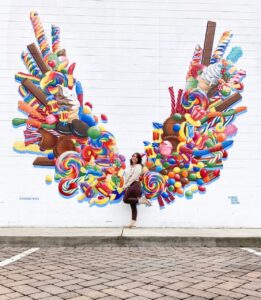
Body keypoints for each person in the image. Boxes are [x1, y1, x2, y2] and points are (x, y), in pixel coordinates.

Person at [123, 152, 151, 228]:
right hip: (131, 185)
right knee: (133, 205)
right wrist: (126, 185)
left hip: (135, 184)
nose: (134, 158)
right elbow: (127, 177)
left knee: (125, 199)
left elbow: (134, 177)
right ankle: (133, 223)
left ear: (138, 159)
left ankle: (141, 200)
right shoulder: (131, 166)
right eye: (133, 156)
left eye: (136, 157)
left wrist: (126, 185)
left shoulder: (138, 166)